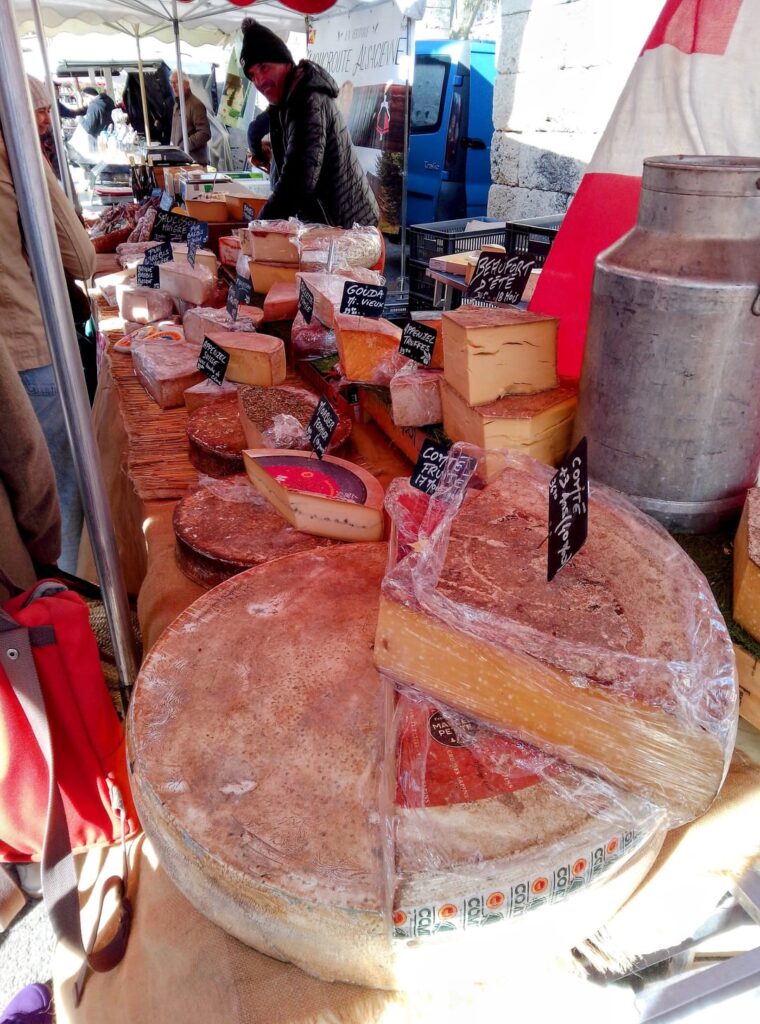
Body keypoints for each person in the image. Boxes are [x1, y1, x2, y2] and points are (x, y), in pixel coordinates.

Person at [0, 125, 96, 573]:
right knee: (53, 502)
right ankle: (60, 610)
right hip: (23, 352)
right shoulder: (10, 138)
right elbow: (81, 257)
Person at [239, 19, 379, 228]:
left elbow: (297, 180)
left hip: (352, 229)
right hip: (328, 227)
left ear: (285, 63)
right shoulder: (283, 103)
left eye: (264, 68)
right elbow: (257, 134)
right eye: (252, 75)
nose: (259, 81)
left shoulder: (307, 100)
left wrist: (259, 227)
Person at [169, 71, 211, 165]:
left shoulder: (196, 105)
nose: (173, 86)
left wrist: (183, 146)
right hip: (181, 161)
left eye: (176, 82)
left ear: (187, 84)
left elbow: (205, 133)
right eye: (171, 82)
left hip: (195, 164)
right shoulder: (177, 105)